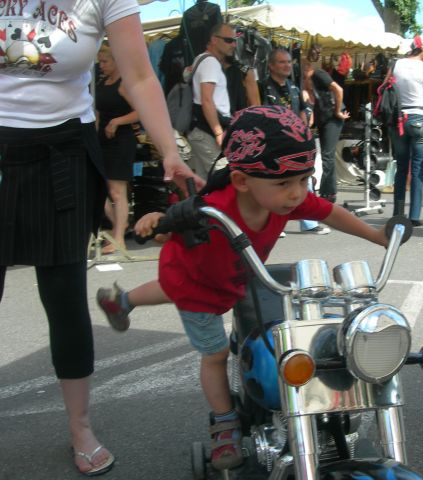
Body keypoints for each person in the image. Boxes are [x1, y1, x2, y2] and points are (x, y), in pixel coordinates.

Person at [95, 106, 388, 471]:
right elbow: (164, 231)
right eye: (285, 183)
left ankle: (122, 301)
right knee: (214, 352)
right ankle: (224, 423)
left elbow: (328, 212)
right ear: (241, 181)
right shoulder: (213, 208)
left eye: (303, 179)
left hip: (232, 278)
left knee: (173, 290)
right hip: (196, 283)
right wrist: (157, 222)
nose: (297, 194)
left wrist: (377, 235)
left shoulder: (282, 198)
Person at [0, 2, 201, 477]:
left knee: (65, 298)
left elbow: (140, 76)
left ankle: (80, 427)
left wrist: (170, 151)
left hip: (62, 153)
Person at [260, 47, 330, 235]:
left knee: (302, 181)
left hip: (294, 143)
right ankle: (274, 224)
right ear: (271, 66)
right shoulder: (262, 86)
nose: (287, 66)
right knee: (274, 183)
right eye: (282, 62)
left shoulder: (293, 87)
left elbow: (301, 113)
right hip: (272, 142)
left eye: (289, 62)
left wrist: (305, 136)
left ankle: (310, 223)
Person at [95, 43, 139, 255]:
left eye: (105, 61)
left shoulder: (124, 85)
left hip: (121, 141)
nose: (101, 66)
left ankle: (119, 236)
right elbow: (96, 112)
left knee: (117, 191)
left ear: (116, 61)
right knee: (99, 189)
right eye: (100, 62)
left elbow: (140, 112)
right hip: (102, 141)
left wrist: (117, 121)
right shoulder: (102, 82)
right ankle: (119, 227)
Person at [387, 35, 423, 226]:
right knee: (417, 168)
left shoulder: (395, 65)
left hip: (397, 119)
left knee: (401, 167)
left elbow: (386, 88)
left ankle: (398, 212)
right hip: (418, 119)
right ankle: (414, 215)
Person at [188, 23, 235, 179]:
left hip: (201, 131)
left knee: (204, 185)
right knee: (224, 179)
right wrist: (218, 133)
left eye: (234, 40)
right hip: (208, 131)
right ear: (214, 39)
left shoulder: (201, 59)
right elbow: (207, 100)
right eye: (229, 40)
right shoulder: (210, 62)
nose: (233, 44)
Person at [302, 59, 350, 204]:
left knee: (327, 156)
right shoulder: (309, 82)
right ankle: (329, 191)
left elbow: (338, 89)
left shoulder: (318, 74)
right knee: (326, 156)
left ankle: (328, 192)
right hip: (325, 119)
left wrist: (337, 111)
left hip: (331, 119)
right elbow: (314, 103)